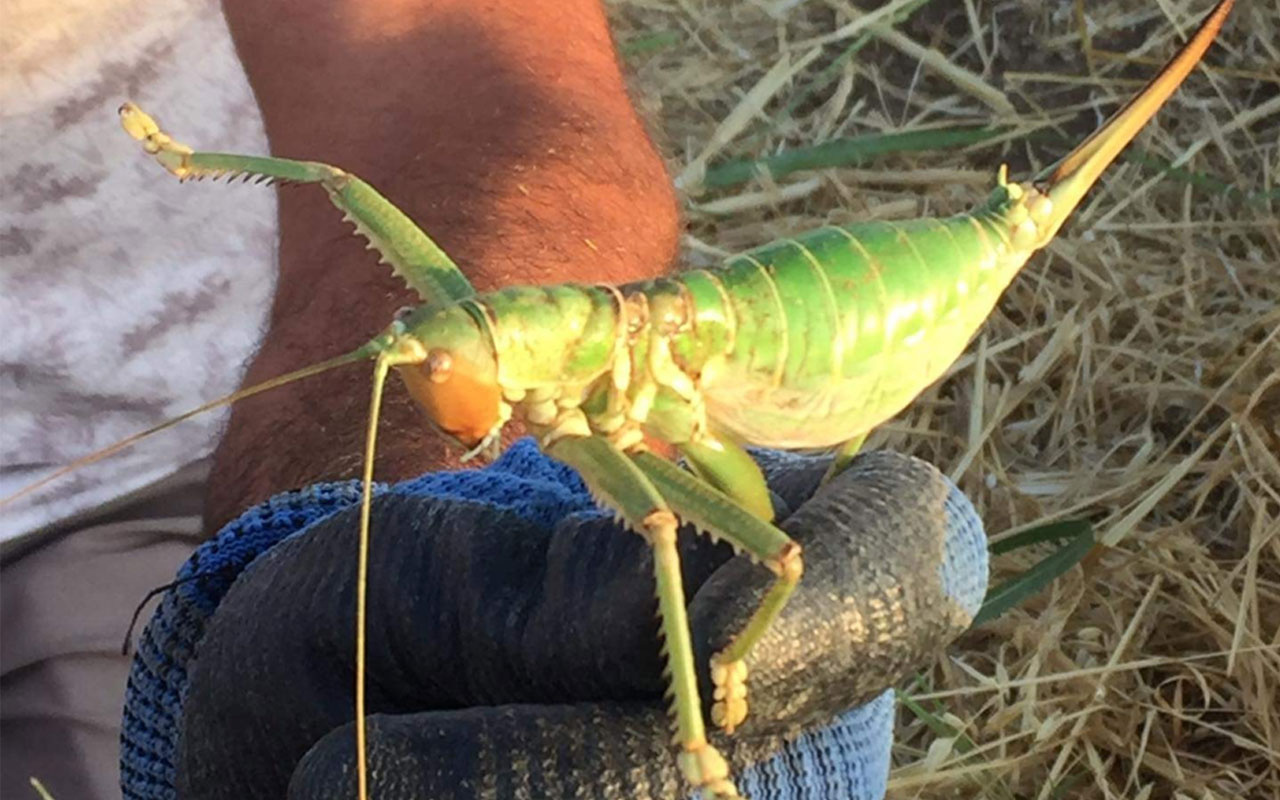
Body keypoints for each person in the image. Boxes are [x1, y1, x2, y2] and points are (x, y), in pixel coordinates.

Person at [2, 2, 987, 798]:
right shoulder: (539, 354)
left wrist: (352, 538)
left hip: (128, 495)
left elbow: (461, 60)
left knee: (725, 544)